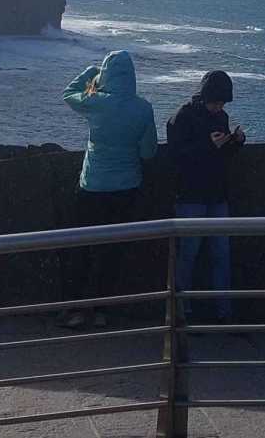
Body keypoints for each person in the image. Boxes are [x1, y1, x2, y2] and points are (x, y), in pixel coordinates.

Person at [58, 50, 159, 330]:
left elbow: (69, 93)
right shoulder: (143, 108)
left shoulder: (96, 102)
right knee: (111, 253)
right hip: (126, 189)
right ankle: (101, 311)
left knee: (81, 248)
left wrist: (91, 72)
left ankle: (73, 310)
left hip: (92, 186)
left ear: (107, 75)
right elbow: (149, 152)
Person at [166, 70, 245, 324]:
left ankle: (224, 309)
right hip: (190, 196)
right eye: (215, 102)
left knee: (222, 253)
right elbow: (177, 159)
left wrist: (235, 143)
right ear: (203, 97)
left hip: (216, 194)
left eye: (221, 104)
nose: (217, 108)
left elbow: (219, 157)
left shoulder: (221, 117)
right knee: (188, 253)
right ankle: (183, 310)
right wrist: (209, 145)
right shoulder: (181, 118)